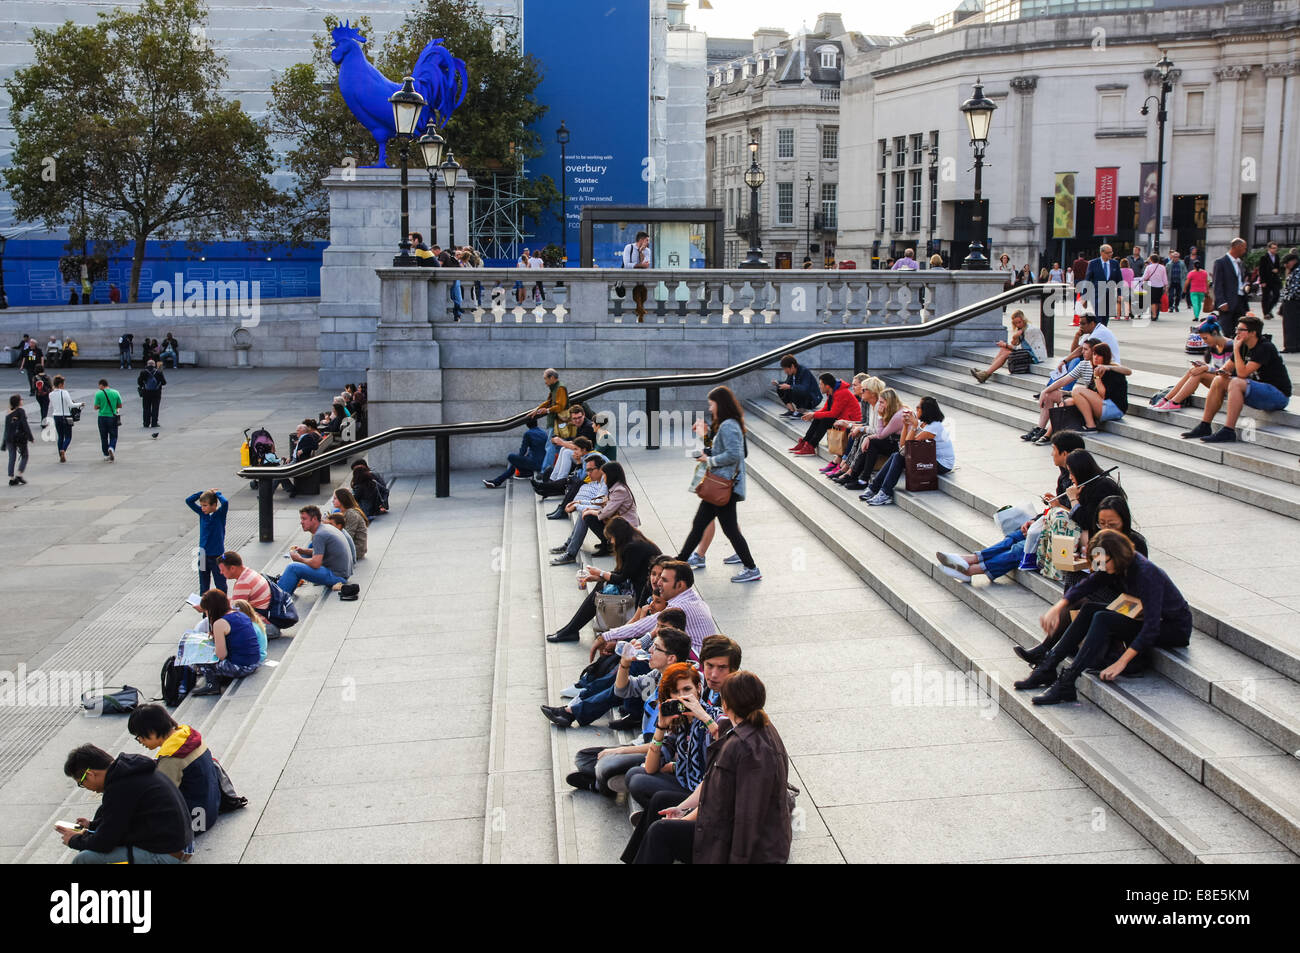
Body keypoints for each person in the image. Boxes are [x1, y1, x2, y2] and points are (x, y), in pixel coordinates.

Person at [628, 670, 791, 864]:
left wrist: (683, 819)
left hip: (741, 846)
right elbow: (712, 787)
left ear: (725, 704)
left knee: (660, 831)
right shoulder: (763, 729)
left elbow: (719, 805)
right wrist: (682, 810)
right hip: (752, 836)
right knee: (660, 805)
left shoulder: (738, 745)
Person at [1014, 530, 1192, 705]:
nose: (1103, 568)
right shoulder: (1115, 562)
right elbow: (1089, 584)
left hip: (1172, 627)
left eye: (1104, 563)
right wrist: (1058, 607)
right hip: (1141, 616)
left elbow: (1151, 627)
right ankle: (1048, 667)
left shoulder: (1146, 573)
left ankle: (1067, 681)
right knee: (1089, 608)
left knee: (1102, 618)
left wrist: (1121, 663)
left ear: (1117, 556)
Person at [675, 387, 761, 583]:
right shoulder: (726, 424)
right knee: (711, 526)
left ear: (720, 404)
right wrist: (706, 442)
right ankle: (680, 562)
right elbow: (719, 448)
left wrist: (709, 460)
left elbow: (735, 454)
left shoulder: (729, 425)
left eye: (711, 403)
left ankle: (681, 563)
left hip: (723, 486)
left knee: (716, 528)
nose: (710, 407)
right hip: (721, 486)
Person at [623, 662, 726, 822]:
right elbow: (650, 768)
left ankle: (656, 816)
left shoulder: (715, 715)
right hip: (684, 783)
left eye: (686, 689)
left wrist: (703, 717)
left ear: (698, 688)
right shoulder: (679, 720)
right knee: (633, 774)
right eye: (675, 692)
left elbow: (729, 744)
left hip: (704, 791)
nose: (681, 696)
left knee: (639, 782)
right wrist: (661, 727)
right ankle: (657, 815)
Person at [57, 743, 191, 864]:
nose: (86, 788)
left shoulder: (120, 788)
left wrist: (75, 840)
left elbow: (104, 843)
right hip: (175, 844)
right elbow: (121, 819)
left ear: (90, 775)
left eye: (82, 783)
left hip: (167, 855)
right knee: (99, 817)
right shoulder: (129, 772)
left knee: (85, 859)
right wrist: (92, 826)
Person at [548, 514, 659, 643]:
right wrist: (597, 577)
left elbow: (621, 578)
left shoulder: (633, 547)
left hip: (644, 591)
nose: (611, 542)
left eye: (611, 538)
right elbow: (623, 573)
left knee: (599, 592)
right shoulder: (634, 540)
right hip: (639, 584)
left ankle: (571, 630)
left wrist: (600, 573)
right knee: (600, 588)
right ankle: (570, 630)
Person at [1180, 315, 1291, 443]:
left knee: (1236, 382)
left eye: (1240, 330)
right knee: (1219, 380)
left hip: (1278, 396)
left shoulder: (1264, 347)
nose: (1236, 333)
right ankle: (1205, 425)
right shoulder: (1244, 346)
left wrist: (1236, 349)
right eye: (1236, 329)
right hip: (1258, 391)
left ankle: (1228, 430)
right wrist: (1212, 370)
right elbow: (1225, 369)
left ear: (1252, 333)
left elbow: (1243, 374)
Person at [126, 705, 221, 837]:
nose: (140, 741)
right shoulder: (187, 736)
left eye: (140, 736)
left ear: (152, 731)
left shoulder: (171, 758)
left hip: (195, 822)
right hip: (210, 808)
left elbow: (160, 798)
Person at [862, 396, 954, 505]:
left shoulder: (934, 427)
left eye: (918, 408)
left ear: (926, 410)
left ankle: (883, 492)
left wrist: (914, 426)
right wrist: (906, 426)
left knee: (898, 456)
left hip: (942, 464)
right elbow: (902, 446)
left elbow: (908, 447)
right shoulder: (923, 423)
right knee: (896, 455)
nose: (916, 410)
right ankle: (876, 489)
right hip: (930, 459)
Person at [550, 460, 636, 565]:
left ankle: (571, 553)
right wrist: (580, 503)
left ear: (611, 475)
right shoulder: (614, 487)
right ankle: (570, 547)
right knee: (586, 513)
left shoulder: (619, 490)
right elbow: (601, 503)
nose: (603, 477)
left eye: (604, 474)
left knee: (587, 515)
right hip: (617, 524)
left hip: (626, 529)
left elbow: (605, 513)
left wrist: (587, 510)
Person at [190, 589, 263, 696]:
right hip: (255, 662)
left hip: (241, 667)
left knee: (201, 653)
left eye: (206, 611)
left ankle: (212, 685)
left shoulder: (219, 623)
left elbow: (221, 655)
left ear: (211, 609)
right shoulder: (240, 614)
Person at [1152, 320, 1233, 410]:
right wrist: (1204, 366)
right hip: (1220, 380)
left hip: (1231, 384)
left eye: (1205, 338)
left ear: (1214, 333)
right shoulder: (1215, 346)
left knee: (1199, 374)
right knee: (1192, 371)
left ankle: (1174, 402)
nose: (1204, 342)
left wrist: (1206, 368)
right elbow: (1218, 369)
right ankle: (1166, 399)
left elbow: (1228, 371)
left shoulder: (1230, 346)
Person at [840, 387, 905, 491]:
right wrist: (869, 438)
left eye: (882, 402)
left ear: (889, 402)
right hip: (894, 442)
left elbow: (880, 434)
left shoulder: (898, 415)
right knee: (870, 442)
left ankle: (860, 478)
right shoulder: (895, 410)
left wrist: (879, 416)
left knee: (872, 442)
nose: (880, 405)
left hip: (901, 448)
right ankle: (857, 476)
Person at [279, 505, 355, 592]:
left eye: (304, 519)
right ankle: (286, 585)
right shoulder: (325, 528)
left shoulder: (319, 535)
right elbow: (322, 552)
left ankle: (279, 599)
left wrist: (299, 559)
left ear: (314, 519)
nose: (301, 522)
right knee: (303, 554)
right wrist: (302, 551)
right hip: (342, 573)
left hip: (337, 577)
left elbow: (316, 564)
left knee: (292, 567)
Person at [1063, 342, 1129, 431]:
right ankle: (1052, 433)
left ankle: (1091, 426)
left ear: (1105, 357)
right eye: (1094, 354)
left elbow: (1103, 395)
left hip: (1114, 408)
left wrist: (1097, 377)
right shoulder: (1096, 369)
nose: (1096, 357)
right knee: (1068, 402)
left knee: (1077, 390)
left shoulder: (1112, 371)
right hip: (1102, 405)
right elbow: (1092, 392)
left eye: (1099, 355)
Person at [791, 373, 860, 455]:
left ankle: (811, 446)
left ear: (827, 386)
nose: (819, 386)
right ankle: (805, 441)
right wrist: (813, 414)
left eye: (821, 384)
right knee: (818, 417)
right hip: (841, 418)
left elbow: (833, 414)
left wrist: (813, 414)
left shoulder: (841, 393)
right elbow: (825, 409)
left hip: (851, 421)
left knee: (825, 420)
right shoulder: (832, 392)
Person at [971, 309, 1047, 382]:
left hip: (1035, 355)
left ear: (1024, 320)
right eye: (1015, 323)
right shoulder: (1020, 329)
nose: (1018, 325)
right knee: (1003, 349)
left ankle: (986, 374)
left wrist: (1010, 341)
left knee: (1007, 353)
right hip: (1027, 352)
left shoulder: (1030, 330)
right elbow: (1014, 345)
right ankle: (986, 371)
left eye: (1019, 322)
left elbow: (1019, 348)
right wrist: (1013, 339)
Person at [185, 488, 230, 595]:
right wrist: (202, 493)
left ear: (214, 505)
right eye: (201, 505)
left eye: (205, 505)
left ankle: (222, 608)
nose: (202, 508)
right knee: (204, 586)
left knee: (221, 585)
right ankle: (206, 610)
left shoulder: (220, 514)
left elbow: (225, 502)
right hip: (203, 555)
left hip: (218, 556)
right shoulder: (202, 514)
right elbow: (188, 501)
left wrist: (217, 493)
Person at [1211, 238, 1250, 326]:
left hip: (1241, 301)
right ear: (1236, 247)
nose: (1245, 250)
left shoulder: (1240, 263)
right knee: (1227, 330)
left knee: (1240, 330)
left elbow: (1241, 280)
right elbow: (1217, 284)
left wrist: (1246, 285)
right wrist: (1221, 302)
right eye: (1244, 247)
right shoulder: (1221, 262)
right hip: (1228, 302)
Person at [1079, 243, 1121, 325]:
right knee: (1099, 317)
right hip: (1096, 295)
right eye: (1108, 253)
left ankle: (1102, 333)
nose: (1110, 254)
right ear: (1102, 253)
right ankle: (1099, 334)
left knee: (1106, 317)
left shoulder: (1114, 263)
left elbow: (1119, 280)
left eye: (1111, 252)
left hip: (1110, 295)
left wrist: (1120, 294)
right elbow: (1087, 280)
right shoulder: (1093, 263)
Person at [48, 376, 82, 463]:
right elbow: (70, 405)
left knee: (60, 436)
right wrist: (80, 404)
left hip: (56, 416)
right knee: (68, 437)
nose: (64, 385)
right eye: (63, 384)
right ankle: (63, 450)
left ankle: (61, 455)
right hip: (66, 416)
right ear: (60, 384)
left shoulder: (51, 394)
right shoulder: (64, 392)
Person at [4, 394, 33, 486]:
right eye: (21, 400)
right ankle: (19, 474)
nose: (22, 401)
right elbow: (25, 425)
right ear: (18, 402)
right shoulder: (21, 411)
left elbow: (6, 428)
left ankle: (11, 478)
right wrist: (30, 437)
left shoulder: (8, 412)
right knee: (25, 455)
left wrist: (4, 442)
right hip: (19, 437)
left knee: (12, 457)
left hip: (9, 437)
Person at [332, 486, 369, 560]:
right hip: (350, 547)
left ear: (342, 500)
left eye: (335, 498)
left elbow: (348, 537)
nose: (333, 501)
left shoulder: (351, 514)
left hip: (356, 550)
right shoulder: (343, 512)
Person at [622, 230, 651, 320]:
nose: (648, 242)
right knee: (636, 294)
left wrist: (641, 251)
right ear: (641, 240)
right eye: (647, 240)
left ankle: (640, 312)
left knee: (643, 296)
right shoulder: (628, 248)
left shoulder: (647, 251)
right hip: (630, 279)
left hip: (642, 279)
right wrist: (640, 265)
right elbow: (626, 264)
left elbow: (646, 265)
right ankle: (641, 312)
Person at [93, 378, 122, 461]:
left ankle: (106, 455)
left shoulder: (98, 394)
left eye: (99, 386)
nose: (99, 388)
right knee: (113, 435)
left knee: (103, 437)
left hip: (102, 417)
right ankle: (111, 448)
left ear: (102, 385)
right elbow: (120, 405)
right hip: (112, 417)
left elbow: (95, 407)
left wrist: (102, 405)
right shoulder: (116, 392)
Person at [136, 360, 166, 429]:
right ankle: (154, 423)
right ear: (154, 365)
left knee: (146, 408)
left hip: (146, 392)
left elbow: (139, 382)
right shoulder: (159, 372)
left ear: (147, 364)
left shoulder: (143, 372)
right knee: (155, 407)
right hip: (156, 392)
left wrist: (144, 385)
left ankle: (146, 423)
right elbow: (164, 382)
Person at [1280, 252, 1300, 353]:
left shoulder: (1297, 272)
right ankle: (1294, 345)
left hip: (1293, 302)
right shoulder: (1294, 271)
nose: (1285, 265)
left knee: (1290, 325)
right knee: (1294, 325)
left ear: (1293, 261)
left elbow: (1295, 289)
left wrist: (1286, 298)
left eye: (1286, 262)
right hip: (1293, 302)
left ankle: (1291, 346)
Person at [1140, 253, 1169, 322]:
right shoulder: (1162, 267)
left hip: (1151, 286)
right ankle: (1156, 313)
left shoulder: (1149, 267)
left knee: (1152, 301)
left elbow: (1145, 277)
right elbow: (1164, 278)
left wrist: (1140, 280)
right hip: (1160, 286)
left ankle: (1154, 315)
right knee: (1157, 301)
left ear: (1151, 260)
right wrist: (1166, 286)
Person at [1258, 241, 1282, 320]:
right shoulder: (1264, 257)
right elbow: (1261, 270)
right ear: (1269, 248)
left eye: (1276, 248)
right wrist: (1262, 281)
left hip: (1275, 280)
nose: (1275, 250)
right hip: (1266, 280)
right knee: (1266, 297)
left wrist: (1277, 270)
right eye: (1273, 248)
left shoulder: (1277, 256)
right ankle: (1266, 313)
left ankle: (1269, 309)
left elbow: (1279, 267)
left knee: (1276, 295)